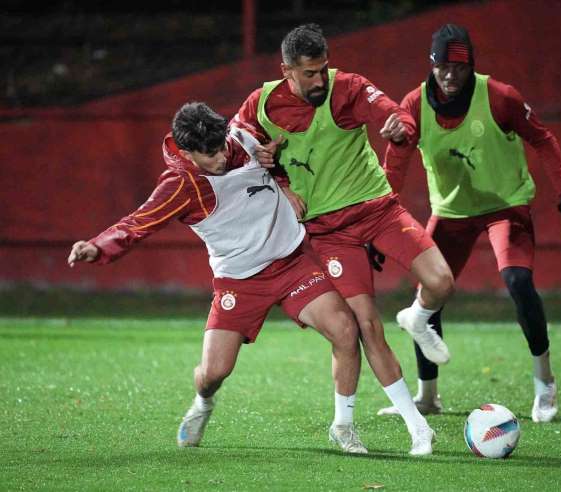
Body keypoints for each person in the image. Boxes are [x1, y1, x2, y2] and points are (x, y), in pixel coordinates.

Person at [68, 101, 373, 454]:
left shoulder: (240, 139)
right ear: (186, 152)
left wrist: (285, 186)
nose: (220, 159)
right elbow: (139, 221)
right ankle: (202, 403)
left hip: (292, 262)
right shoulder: (181, 184)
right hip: (240, 279)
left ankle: (343, 425)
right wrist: (97, 246)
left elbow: (275, 157)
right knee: (214, 373)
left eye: (220, 148)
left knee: (346, 331)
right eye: (209, 155)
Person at [234, 23, 454, 453]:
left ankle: (418, 317)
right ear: (287, 71)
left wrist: (400, 128)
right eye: (310, 73)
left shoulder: (349, 88)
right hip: (330, 233)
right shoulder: (261, 104)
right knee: (366, 326)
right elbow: (238, 144)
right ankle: (416, 428)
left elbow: (397, 115)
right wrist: (279, 181)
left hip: (379, 210)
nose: (320, 80)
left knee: (442, 280)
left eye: (323, 70)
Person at [376, 24, 561, 422]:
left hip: (505, 207)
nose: (451, 75)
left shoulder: (500, 97)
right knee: (430, 292)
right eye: (444, 66)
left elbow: (543, 139)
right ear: (432, 65)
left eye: (460, 67)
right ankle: (428, 397)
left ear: (471, 65)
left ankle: (545, 384)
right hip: (451, 213)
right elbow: (395, 170)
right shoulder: (414, 106)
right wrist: (377, 225)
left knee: (518, 282)